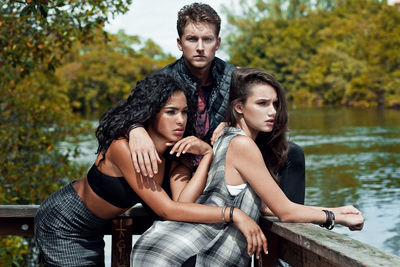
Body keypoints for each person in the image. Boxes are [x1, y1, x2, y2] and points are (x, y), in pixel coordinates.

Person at [130, 68, 364, 267]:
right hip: (177, 253)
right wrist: (335, 218)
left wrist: (337, 210)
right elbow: (286, 211)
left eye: (274, 103)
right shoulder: (242, 145)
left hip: (162, 246)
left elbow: (265, 206)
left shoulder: (224, 137)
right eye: (262, 104)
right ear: (239, 107)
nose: (272, 111)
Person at [34, 74, 267, 266]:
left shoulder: (174, 152)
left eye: (184, 112)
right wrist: (233, 214)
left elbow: (183, 203)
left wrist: (207, 155)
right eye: (171, 111)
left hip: (94, 229)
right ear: (151, 113)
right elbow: (167, 210)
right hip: (63, 222)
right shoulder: (122, 147)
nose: (180, 120)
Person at [128, 2, 305, 206]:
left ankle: (295, 226)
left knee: (292, 153)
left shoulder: (235, 76)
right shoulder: (162, 80)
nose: (200, 47)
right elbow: (124, 113)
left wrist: (231, 124)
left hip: (222, 160)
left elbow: (268, 105)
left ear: (217, 42)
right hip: (178, 166)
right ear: (180, 43)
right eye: (192, 39)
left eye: (207, 39)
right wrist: (135, 129)